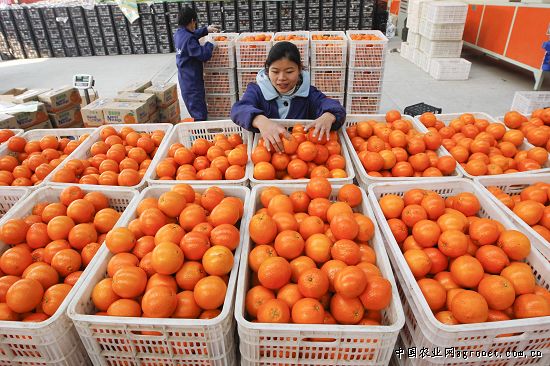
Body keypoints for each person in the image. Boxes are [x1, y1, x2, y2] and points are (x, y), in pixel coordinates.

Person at [231, 41, 346, 152]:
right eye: (275, 72)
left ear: (299, 70)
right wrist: (260, 120)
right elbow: (238, 109)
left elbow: (333, 106)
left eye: (289, 71)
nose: (281, 78)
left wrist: (329, 115)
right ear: (267, 70)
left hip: (302, 155)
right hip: (265, 151)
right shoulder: (257, 91)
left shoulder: (309, 94)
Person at [174, 7, 219, 121]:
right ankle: (200, 135)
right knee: (199, 112)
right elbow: (203, 55)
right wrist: (210, 45)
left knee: (195, 107)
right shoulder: (189, 40)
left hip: (185, 78)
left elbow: (191, 35)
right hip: (192, 82)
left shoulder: (179, 34)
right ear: (192, 21)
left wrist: (206, 30)